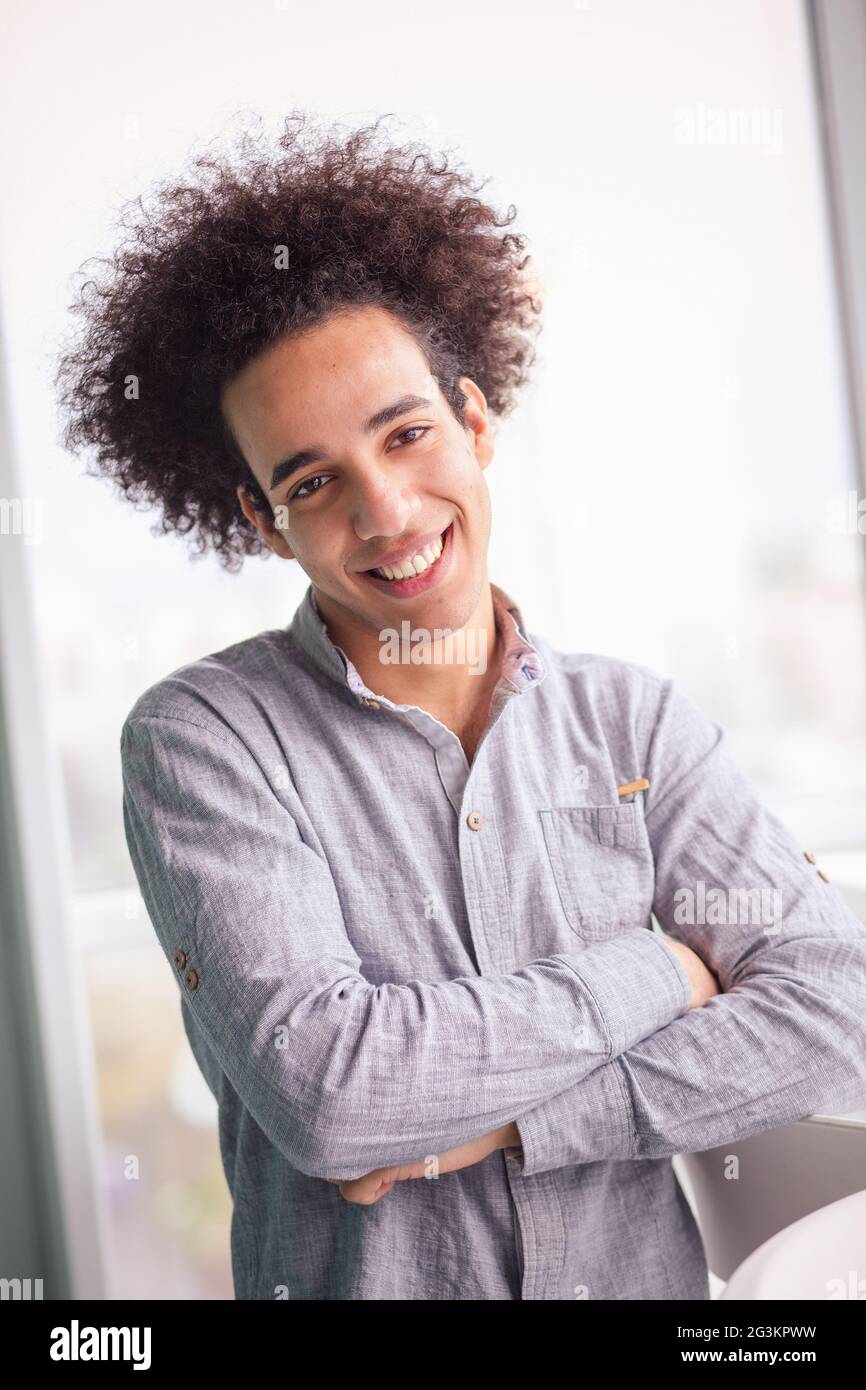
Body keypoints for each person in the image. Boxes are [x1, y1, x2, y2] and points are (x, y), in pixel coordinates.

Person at [55, 110, 866, 1300]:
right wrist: (657, 970)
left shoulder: (633, 724)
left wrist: (513, 1125)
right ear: (257, 519)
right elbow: (333, 1095)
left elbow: (834, 1010)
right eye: (313, 480)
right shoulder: (205, 741)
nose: (384, 512)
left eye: (407, 432)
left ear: (475, 422)